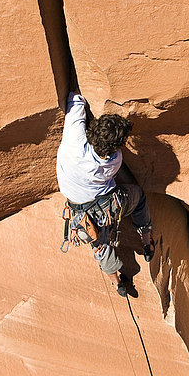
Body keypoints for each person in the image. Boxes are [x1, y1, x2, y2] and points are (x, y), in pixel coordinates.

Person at [56, 91, 154, 296]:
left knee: (99, 242)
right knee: (139, 197)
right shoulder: (114, 160)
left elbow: (74, 100)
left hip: (78, 207)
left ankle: (116, 281)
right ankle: (147, 241)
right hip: (105, 204)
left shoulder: (75, 141)